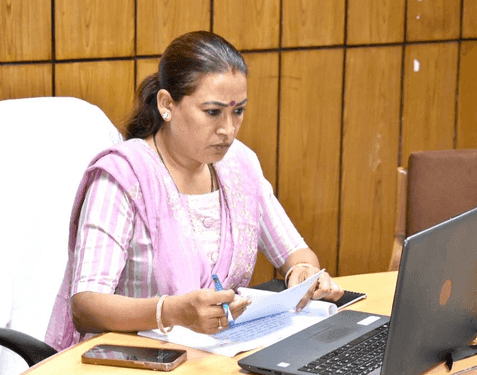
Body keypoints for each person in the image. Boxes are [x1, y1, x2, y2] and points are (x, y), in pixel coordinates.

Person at [45, 30, 344, 351]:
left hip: (220, 355)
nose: (228, 130)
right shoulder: (123, 178)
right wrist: (173, 311)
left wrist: (303, 272)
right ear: (166, 104)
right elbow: (86, 306)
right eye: (213, 112)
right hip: (135, 359)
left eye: (238, 111)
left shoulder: (239, 164)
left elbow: (294, 252)